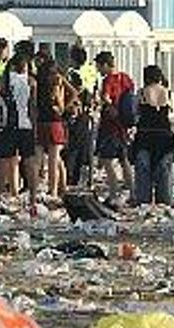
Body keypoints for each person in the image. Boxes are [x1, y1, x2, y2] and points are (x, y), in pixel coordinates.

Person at [0, 54, 38, 211]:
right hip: (26, 126)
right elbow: (33, 106)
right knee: (30, 163)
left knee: (1, 163)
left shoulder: (5, 81)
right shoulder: (31, 82)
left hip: (8, 127)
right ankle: (33, 200)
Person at [95, 51, 135, 207]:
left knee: (106, 160)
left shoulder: (108, 80)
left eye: (99, 66)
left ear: (105, 64)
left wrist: (105, 103)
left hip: (110, 126)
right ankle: (132, 193)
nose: (99, 70)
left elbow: (106, 98)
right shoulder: (125, 78)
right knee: (124, 160)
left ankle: (114, 193)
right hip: (123, 127)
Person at [133, 65, 174, 206]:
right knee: (164, 171)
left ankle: (143, 203)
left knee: (143, 171)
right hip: (164, 136)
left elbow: (135, 113)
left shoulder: (141, 93)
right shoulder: (167, 92)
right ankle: (164, 202)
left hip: (145, 136)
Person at [36, 61, 76, 200]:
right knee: (54, 160)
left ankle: (51, 190)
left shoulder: (44, 84)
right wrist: (63, 108)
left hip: (45, 122)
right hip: (53, 121)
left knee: (45, 159)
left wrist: (63, 106)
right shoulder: (57, 83)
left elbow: (71, 94)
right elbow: (73, 93)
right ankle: (56, 189)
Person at [65, 45, 97, 187]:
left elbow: (75, 91)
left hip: (76, 113)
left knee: (72, 148)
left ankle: (71, 178)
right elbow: (94, 92)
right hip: (89, 112)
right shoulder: (91, 71)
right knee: (86, 149)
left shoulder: (73, 73)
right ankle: (86, 179)